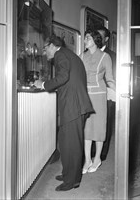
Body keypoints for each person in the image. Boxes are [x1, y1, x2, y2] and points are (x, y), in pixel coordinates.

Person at [34, 35, 94, 191]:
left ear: (53, 45)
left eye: (45, 48)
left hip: (73, 107)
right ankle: (69, 173)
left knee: (71, 145)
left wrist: (43, 84)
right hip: (74, 106)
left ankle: (72, 181)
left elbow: (63, 77)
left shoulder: (61, 55)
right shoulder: (68, 55)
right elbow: (68, 79)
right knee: (66, 142)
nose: (44, 51)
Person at [80, 29, 115, 174]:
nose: (84, 40)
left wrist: (120, 92)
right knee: (87, 128)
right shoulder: (82, 56)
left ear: (95, 40)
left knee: (99, 128)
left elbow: (110, 79)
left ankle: (97, 159)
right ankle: (87, 159)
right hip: (86, 95)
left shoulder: (105, 57)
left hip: (100, 95)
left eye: (87, 38)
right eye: (85, 38)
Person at [96, 26, 116, 161]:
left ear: (106, 39)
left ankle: (102, 153)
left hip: (107, 95)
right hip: (91, 95)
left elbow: (113, 77)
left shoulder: (113, 56)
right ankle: (91, 151)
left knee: (105, 124)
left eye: (100, 37)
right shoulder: (87, 53)